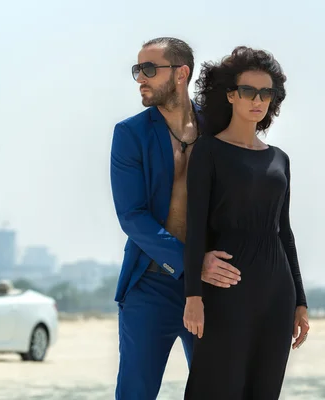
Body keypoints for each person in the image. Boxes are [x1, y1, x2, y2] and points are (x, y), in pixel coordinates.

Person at [110, 37, 242, 400]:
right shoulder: (130, 134)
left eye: (149, 69)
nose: (141, 78)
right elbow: (132, 216)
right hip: (151, 284)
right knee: (135, 392)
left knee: (216, 390)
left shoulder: (217, 130)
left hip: (210, 287)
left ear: (181, 73)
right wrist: (191, 262)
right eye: (138, 70)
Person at [182, 46, 310, 399]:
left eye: (266, 93)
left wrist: (300, 300)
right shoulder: (208, 151)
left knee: (264, 391)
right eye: (249, 91)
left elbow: (284, 232)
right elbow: (196, 227)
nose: (258, 100)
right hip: (227, 291)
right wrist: (193, 295)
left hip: (277, 293)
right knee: (214, 387)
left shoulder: (279, 160)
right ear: (230, 95)